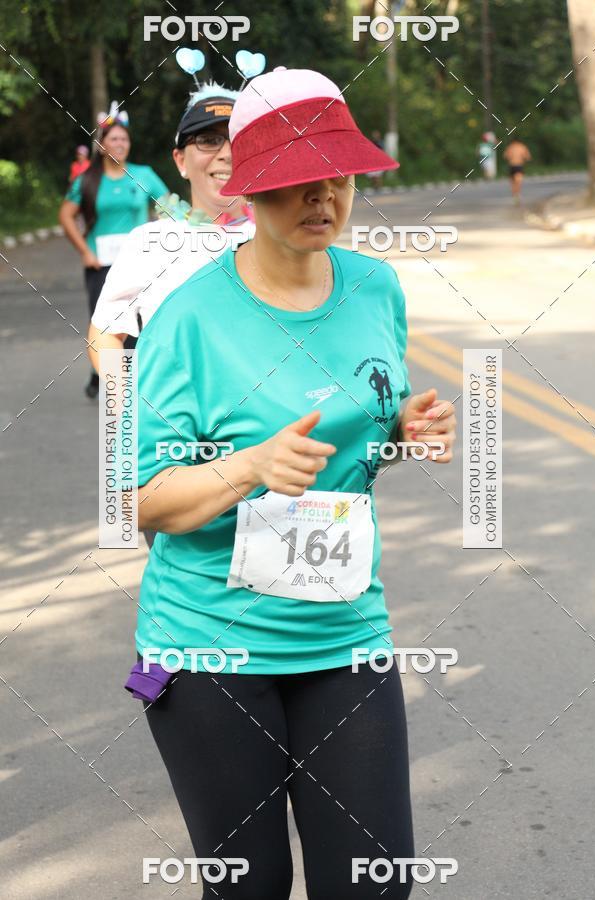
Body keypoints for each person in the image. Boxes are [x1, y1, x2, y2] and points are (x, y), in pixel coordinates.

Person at [134, 67, 457, 899]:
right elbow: (139, 499)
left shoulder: (375, 286)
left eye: (338, 180)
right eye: (297, 185)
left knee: (374, 883)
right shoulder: (190, 318)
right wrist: (248, 468)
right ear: (251, 190)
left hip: (344, 631)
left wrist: (402, 431)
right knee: (252, 888)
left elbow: (359, 432)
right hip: (209, 645)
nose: (323, 201)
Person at [86, 82, 254, 374]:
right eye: (208, 140)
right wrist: (123, 415)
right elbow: (106, 334)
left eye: (238, 140)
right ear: (180, 160)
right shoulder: (149, 242)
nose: (226, 153)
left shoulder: (286, 235)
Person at [58, 104, 169, 398]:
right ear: (101, 145)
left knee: (139, 320)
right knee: (106, 323)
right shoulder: (87, 180)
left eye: (124, 139)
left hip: (140, 263)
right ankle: (104, 376)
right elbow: (66, 216)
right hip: (101, 264)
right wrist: (85, 251)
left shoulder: (144, 175)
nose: (119, 144)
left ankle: (129, 382)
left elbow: (169, 206)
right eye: (113, 139)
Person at [503, 138, 532, 203]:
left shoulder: (510, 147)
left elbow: (505, 156)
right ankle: (517, 194)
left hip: (511, 165)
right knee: (518, 181)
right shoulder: (522, 146)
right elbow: (528, 157)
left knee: (512, 181)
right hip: (519, 166)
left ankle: (514, 194)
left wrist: (511, 158)